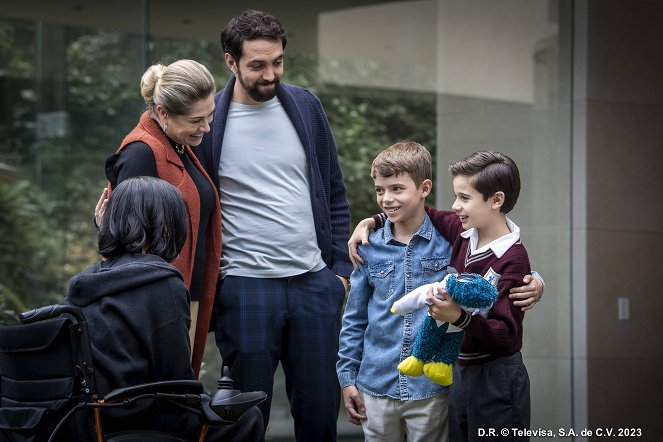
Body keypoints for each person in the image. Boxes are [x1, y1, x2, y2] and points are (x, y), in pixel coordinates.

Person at [193, 10, 352, 441]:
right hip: (244, 288)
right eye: (258, 65)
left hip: (314, 285)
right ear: (231, 62)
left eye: (278, 62)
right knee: (245, 422)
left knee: (320, 417)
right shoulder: (208, 123)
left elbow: (334, 193)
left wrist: (339, 274)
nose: (270, 74)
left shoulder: (305, 105)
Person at [67, 176, 264, 441]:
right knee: (247, 419)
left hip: (90, 419)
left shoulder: (84, 283)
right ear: (168, 226)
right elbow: (175, 377)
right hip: (144, 413)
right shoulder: (162, 282)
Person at [97, 59, 221, 376]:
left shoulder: (177, 143)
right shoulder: (141, 152)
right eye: (196, 120)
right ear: (163, 113)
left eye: (210, 116)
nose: (206, 128)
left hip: (183, 296)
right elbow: (127, 240)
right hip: (158, 309)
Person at [337, 142, 452, 442]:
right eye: (380, 190)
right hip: (375, 385)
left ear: (424, 187)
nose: (386, 199)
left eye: (397, 189)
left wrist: (534, 280)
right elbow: (354, 320)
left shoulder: (449, 244)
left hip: (430, 388)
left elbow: (493, 258)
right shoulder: (367, 247)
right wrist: (347, 379)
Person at [424, 151, 532, 440]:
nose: (455, 206)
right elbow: (424, 212)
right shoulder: (462, 230)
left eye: (464, 198)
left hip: (497, 376)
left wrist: (457, 318)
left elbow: (505, 333)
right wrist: (372, 221)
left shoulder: (514, 259)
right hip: (461, 370)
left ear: (496, 200)